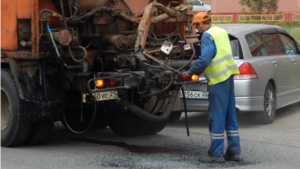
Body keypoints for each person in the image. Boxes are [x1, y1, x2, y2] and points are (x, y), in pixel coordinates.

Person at [180, 12, 241, 163]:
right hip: (228, 77)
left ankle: (216, 154)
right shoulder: (221, 31)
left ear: (200, 24)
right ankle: (234, 151)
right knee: (229, 115)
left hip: (218, 80)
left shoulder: (207, 36)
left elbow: (206, 58)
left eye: (195, 26)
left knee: (217, 116)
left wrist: (189, 72)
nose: (195, 30)